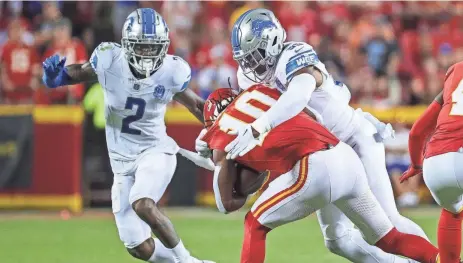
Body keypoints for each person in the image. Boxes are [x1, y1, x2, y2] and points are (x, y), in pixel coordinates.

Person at [196, 8, 429, 263]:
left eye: (256, 55)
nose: (251, 65)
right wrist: (211, 134)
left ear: (273, 42)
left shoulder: (294, 55)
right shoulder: (247, 76)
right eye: (246, 59)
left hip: (353, 137)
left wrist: (257, 127)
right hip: (322, 151)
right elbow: (248, 110)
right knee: (338, 240)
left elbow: (298, 97)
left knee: (389, 221)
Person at [41, 8, 213, 263]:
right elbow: (79, 72)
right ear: (127, 45)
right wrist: (57, 78)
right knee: (139, 247)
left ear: (163, 47)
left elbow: (197, 106)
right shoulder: (110, 60)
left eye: (152, 47)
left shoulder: (170, 71)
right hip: (121, 164)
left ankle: (187, 261)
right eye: (141, 47)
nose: (147, 54)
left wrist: (221, 131)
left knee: (142, 203)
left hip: (155, 151)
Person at [201, 85, 439, 263]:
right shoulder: (261, 90)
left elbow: (225, 204)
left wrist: (249, 176)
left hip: (316, 167)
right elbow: (314, 117)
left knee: (254, 224)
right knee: (390, 239)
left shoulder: (221, 132)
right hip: (344, 154)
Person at [401, 61, 463, 263]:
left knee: (452, 210)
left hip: (434, 162)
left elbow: (417, 131)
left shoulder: (456, 71)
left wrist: (415, 165)